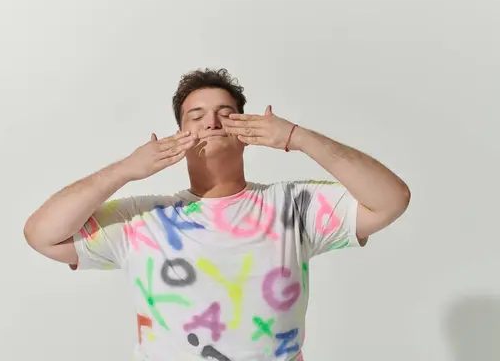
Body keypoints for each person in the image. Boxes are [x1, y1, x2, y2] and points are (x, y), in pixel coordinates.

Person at [23, 68, 411, 360]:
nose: (210, 122)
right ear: (179, 135)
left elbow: (390, 200)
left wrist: (299, 137)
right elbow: (42, 235)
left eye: (225, 114)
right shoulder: (140, 219)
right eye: (196, 117)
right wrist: (125, 170)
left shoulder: (293, 206)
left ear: (246, 129)